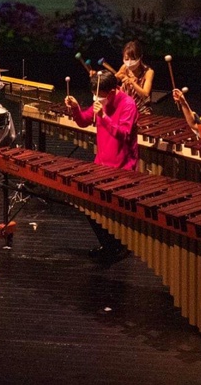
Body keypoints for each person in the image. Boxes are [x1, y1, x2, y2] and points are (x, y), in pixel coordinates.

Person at [64, 70, 138, 260]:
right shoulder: (101, 101)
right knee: (89, 206)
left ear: (112, 92)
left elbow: (124, 134)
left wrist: (104, 117)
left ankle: (117, 247)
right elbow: (83, 121)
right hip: (101, 165)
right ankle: (110, 245)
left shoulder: (128, 104)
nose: (97, 98)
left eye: (101, 95)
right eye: (95, 94)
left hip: (122, 168)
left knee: (114, 213)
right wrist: (76, 108)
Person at [113, 40, 155, 114]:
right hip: (126, 109)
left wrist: (132, 82)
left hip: (142, 111)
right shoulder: (124, 68)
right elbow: (111, 83)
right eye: (126, 59)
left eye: (133, 59)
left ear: (140, 57)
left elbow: (145, 95)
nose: (129, 62)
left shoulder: (148, 72)